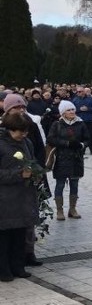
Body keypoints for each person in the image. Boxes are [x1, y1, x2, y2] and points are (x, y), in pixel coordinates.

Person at [0, 111, 39, 281]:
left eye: (25, 131)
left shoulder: (27, 142)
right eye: (20, 131)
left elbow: (33, 162)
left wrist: (36, 173)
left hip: (24, 195)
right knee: (5, 236)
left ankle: (18, 266)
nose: (23, 134)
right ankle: (4, 269)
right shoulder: (1, 145)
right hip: (5, 198)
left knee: (20, 234)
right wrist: (18, 174)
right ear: (10, 129)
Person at [47, 100, 88, 221]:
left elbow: (88, 139)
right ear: (63, 112)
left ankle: (72, 208)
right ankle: (59, 210)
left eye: (73, 109)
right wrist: (66, 143)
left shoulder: (81, 124)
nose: (72, 112)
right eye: (69, 110)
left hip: (76, 159)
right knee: (60, 184)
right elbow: (50, 139)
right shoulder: (57, 124)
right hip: (61, 158)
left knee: (74, 184)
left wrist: (81, 145)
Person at [72, 86, 92, 155]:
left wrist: (88, 109)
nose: (78, 93)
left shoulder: (90, 99)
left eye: (80, 91)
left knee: (90, 135)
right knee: (80, 136)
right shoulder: (75, 100)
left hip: (89, 119)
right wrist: (79, 109)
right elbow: (72, 109)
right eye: (77, 92)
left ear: (84, 92)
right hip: (79, 120)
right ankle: (82, 150)